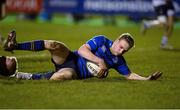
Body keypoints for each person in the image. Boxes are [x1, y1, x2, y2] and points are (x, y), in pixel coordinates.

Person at [2, 30, 162, 80]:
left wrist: (146, 79)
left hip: (75, 73)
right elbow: (83, 49)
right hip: (71, 57)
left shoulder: (118, 61)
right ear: (117, 40)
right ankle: (14, 45)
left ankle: (23, 76)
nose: (121, 51)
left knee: (59, 78)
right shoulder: (101, 40)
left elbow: (129, 75)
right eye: (121, 47)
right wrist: (100, 61)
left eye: (124, 50)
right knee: (53, 44)